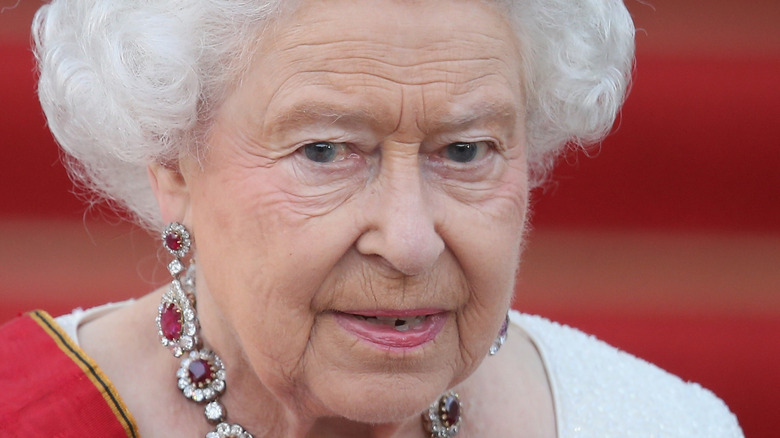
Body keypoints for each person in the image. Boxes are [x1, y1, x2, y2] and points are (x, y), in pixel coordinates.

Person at [0, 0, 743, 437]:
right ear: (171, 161)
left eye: (465, 149)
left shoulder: (656, 423)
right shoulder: (25, 414)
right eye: (325, 150)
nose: (410, 241)